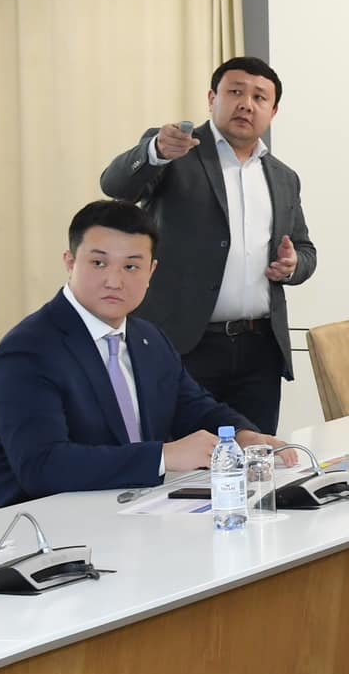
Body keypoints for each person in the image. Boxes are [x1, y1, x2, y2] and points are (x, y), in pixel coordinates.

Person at [0, 200, 291, 507]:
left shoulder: (148, 337)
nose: (114, 281)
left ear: (151, 271)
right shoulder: (28, 350)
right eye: (98, 263)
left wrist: (242, 436)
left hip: (132, 508)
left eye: (131, 266)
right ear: (70, 263)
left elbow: (194, 407)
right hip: (36, 522)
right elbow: (42, 466)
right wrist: (163, 456)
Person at [100, 57, 315, 434]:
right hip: (185, 346)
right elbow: (115, 186)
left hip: (259, 350)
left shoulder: (283, 177)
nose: (246, 104)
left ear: (273, 111)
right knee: (183, 458)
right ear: (212, 98)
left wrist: (293, 264)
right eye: (235, 92)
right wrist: (154, 151)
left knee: (256, 455)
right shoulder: (176, 153)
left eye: (259, 97)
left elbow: (305, 250)